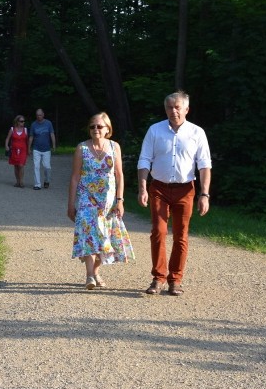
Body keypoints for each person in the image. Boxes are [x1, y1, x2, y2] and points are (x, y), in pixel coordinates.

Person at [137, 91, 212, 297]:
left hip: (185, 189)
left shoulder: (197, 133)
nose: (173, 111)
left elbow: (204, 165)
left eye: (178, 107)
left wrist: (204, 195)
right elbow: (144, 160)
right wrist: (143, 188)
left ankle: (175, 280)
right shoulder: (155, 130)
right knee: (159, 231)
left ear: (186, 109)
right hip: (159, 188)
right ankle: (158, 278)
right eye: (170, 107)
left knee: (181, 235)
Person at [67, 112, 134, 289]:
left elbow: (119, 175)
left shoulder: (114, 147)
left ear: (107, 129)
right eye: (92, 126)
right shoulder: (81, 148)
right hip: (86, 199)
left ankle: (96, 271)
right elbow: (74, 177)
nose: (95, 129)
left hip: (108, 201)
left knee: (106, 239)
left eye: (99, 126)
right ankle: (89, 276)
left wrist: (120, 200)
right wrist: (71, 204)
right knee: (89, 235)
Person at [28, 108, 56, 190]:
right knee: (36, 166)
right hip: (36, 148)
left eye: (40, 115)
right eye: (37, 115)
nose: (38, 117)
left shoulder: (48, 123)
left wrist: (54, 145)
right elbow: (31, 137)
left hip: (46, 149)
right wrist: (29, 148)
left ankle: (46, 181)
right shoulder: (34, 124)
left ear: (43, 115)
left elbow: (52, 134)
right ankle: (37, 184)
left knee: (47, 167)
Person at [4, 115, 29, 187]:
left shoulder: (25, 130)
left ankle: (21, 181)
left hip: (23, 150)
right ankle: (17, 181)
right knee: (16, 165)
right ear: (17, 122)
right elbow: (7, 139)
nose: (23, 123)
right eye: (21, 121)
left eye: (24, 121)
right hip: (14, 150)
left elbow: (27, 141)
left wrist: (29, 149)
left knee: (21, 165)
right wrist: (6, 146)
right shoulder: (12, 129)